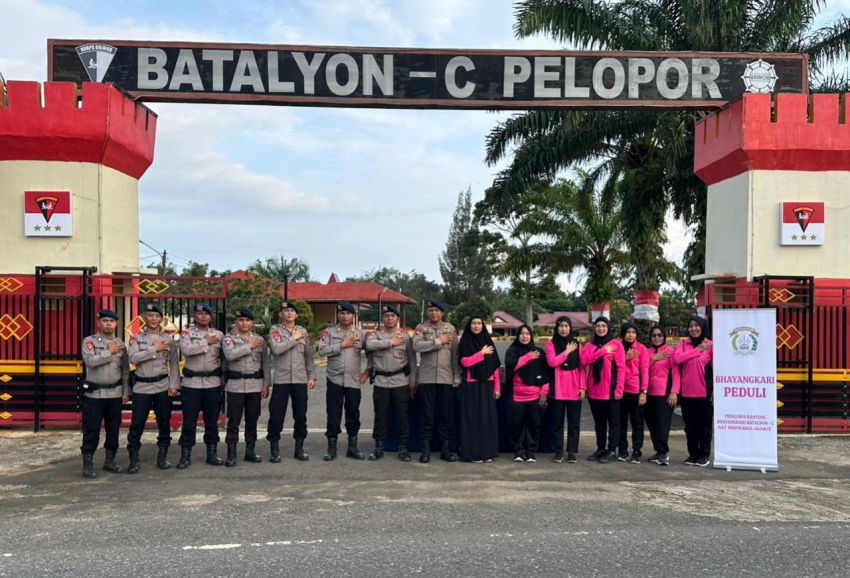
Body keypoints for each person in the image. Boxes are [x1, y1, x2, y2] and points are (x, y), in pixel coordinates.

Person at [126, 302, 179, 473]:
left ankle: (162, 457)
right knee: (137, 425)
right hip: (142, 387)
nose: (153, 319)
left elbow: (173, 364)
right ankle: (133, 459)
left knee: (164, 423)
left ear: (161, 319)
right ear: (144, 318)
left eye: (157, 316)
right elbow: (133, 358)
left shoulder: (168, 340)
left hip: (162, 386)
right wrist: (152, 349)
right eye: (150, 315)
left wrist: (173, 385)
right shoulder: (136, 339)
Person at [80, 309, 130, 478]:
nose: (109, 324)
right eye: (105, 321)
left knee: (113, 429)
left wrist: (125, 391)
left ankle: (110, 460)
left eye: (112, 321)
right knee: (92, 429)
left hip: (115, 394)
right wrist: (110, 352)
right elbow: (90, 362)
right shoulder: (90, 342)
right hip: (95, 394)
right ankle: (88, 462)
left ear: (116, 324)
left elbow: (125, 371)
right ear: (99, 323)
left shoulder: (121, 344)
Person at [318, 301, 370, 461]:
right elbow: (321, 351)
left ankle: (352, 447)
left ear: (353, 316)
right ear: (338, 315)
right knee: (333, 413)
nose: (344, 316)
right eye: (341, 313)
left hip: (353, 380)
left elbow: (373, 353)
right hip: (335, 379)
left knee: (353, 413)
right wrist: (342, 345)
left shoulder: (360, 334)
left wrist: (368, 372)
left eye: (347, 313)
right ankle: (331, 448)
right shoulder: (329, 332)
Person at [266, 301, 316, 463]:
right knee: (276, 415)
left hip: (300, 380)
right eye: (285, 311)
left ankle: (299, 448)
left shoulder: (303, 331)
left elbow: (308, 356)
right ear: (281, 314)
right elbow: (276, 349)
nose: (288, 313)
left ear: (296, 315)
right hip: (282, 380)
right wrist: (293, 339)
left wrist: (312, 376)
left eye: (292, 311)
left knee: (300, 415)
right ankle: (274, 449)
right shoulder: (275, 330)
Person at [177, 303, 225, 468]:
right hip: (192, 384)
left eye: (206, 314)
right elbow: (187, 350)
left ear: (211, 317)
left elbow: (224, 359)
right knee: (189, 421)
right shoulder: (186, 333)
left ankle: (212, 453)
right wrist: (205, 342)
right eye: (199, 314)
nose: (203, 316)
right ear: (194, 316)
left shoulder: (219, 335)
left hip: (213, 383)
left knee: (212, 421)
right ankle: (185, 455)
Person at [366, 304, 416, 462]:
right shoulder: (375, 335)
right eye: (387, 316)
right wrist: (391, 342)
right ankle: (378, 447)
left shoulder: (406, 337)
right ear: (383, 319)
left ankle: (403, 448)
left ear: (397, 319)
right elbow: (369, 346)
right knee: (380, 416)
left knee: (403, 416)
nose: (389, 319)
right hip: (381, 381)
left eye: (392, 316)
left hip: (400, 381)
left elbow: (412, 360)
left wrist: (413, 383)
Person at [412, 298, 459, 463]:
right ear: (428, 312)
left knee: (444, 416)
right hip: (426, 378)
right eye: (431, 310)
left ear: (442, 313)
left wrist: (457, 376)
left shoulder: (450, 329)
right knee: (427, 416)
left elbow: (455, 355)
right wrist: (438, 341)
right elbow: (416, 346)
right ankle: (426, 450)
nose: (434, 313)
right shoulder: (421, 328)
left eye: (437, 310)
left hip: (446, 378)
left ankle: (445, 449)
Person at [222, 308, 270, 467]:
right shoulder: (229, 338)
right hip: (235, 386)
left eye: (247, 320)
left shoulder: (260, 340)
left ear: (252, 322)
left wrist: (265, 384)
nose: (244, 323)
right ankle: (231, 453)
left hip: (254, 386)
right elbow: (229, 355)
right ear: (236, 322)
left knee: (252, 420)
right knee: (234, 420)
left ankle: (250, 450)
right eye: (241, 320)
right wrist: (248, 346)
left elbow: (265, 364)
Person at [579, 316, 625, 464]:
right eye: (598, 326)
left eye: (603, 326)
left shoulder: (616, 344)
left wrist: (619, 389)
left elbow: (621, 368)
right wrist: (602, 351)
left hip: (610, 390)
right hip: (594, 390)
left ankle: (612, 450)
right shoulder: (590, 346)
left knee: (613, 422)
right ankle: (600, 448)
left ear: (608, 327)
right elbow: (584, 361)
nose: (600, 328)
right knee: (599, 422)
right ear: (594, 328)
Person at [457, 315, 501, 463]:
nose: (476, 326)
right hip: (472, 385)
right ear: (469, 326)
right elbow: (465, 362)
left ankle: (487, 453)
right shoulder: (465, 342)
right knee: (473, 420)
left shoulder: (488, 342)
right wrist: (481, 354)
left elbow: (495, 367)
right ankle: (474, 454)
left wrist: (497, 388)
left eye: (479, 323)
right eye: (473, 323)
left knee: (487, 420)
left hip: (487, 385)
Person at [505, 324, 549, 463]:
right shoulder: (512, 350)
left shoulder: (539, 352)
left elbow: (546, 374)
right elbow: (511, 365)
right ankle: (518, 450)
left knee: (534, 424)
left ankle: (531, 451)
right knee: (516, 424)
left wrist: (544, 392)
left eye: (527, 334)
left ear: (531, 336)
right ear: (518, 336)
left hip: (535, 395)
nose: (524, 336)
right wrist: (528, 357)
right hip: (516, 394)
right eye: (522, 334)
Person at [673, 316, 714, 467]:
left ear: (703, 327)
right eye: (690, 326)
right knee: (690, 426)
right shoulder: (684, 343)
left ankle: (704, 454)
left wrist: (715, 390)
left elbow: (718, 368)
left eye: (697, 325)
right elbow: (677, 359)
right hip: (686, 393)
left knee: (704, 426)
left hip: (704, 393)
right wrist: (697, 350)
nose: (693, 329)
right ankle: (693, 453)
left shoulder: (710, 345)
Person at [545, 316, 585, 464]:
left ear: (570, 328)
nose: (563, 329)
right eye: (561, 326)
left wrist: (583, 387)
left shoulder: (578, 344)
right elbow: (552, 362)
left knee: (574, 422)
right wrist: (567, 352)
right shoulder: (551, 344)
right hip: (558, 389)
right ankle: (558, 452)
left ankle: (572, 452)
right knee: (557, 423)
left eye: (566, 326)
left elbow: (582, 367)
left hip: (574, 389)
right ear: (557, 328)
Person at [644, 325, 680, 466]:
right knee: (652, 423)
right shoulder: (647, 352)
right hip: (648, 393)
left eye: (659, 335)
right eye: (654, 335)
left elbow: (676, 374)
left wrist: (674, 392)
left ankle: (664, 453)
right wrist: (653, 358)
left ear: (664, 337)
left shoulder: (671, 352)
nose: (657, 338)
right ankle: (658, 451)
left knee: (662, 424)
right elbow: (642, 369)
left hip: (663, 393)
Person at [617, 322, 649, 463]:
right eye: (628, 332)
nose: (630, 335)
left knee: (637, 423)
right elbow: (612, 367)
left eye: (633, 332)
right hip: (619, 391)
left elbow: (645, 371)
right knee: (620, 423)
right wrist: (625, 357)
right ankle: (622, 450)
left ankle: (637, 450)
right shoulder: (617, 347)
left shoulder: (641, 348)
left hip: (635, 391)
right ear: (623, 333)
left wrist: (644, 391)